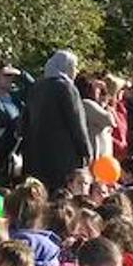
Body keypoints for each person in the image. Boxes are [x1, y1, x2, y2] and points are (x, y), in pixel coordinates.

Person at [22, 50, 92, 192]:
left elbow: (24, 121)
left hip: (37, 156)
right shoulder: (66, 87)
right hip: (63, 157)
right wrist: (86, 151)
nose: (76, 71)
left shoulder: (37, 87)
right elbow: (76, 123)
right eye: (74, 66)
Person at [0, 65, 25, 183]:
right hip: (0, 152)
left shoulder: (17, 99)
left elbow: (32, 87)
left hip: (16, 150)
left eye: (12, 76)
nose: (10, 79)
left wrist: (21, 73)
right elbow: (0, 119)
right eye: (6, 76)